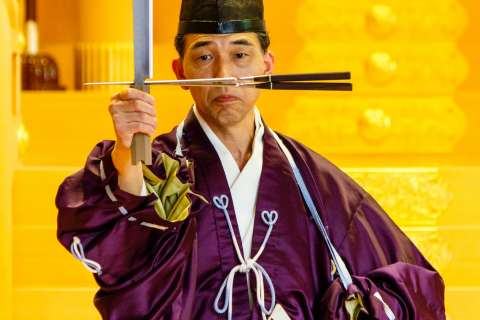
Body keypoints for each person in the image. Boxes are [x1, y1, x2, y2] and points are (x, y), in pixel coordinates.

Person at [56, 0, 446, 319]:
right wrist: (128, 151)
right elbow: (125, 247)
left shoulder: (311, 178)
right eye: (204, 57)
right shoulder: (156, 167)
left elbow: (412, 283)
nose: (225, 75)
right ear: (180, 72)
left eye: (241, 54)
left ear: (267, 65)